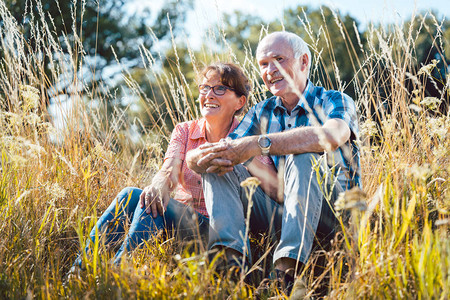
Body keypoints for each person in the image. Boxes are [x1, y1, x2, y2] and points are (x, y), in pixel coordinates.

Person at [186, 31, 360, 295]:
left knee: (304, 154)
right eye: (264, 64)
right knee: (219, 165)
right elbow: (226, 149)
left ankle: (286, 271)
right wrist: (198, 159)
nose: (270, 71)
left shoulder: (334, 100)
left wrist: (259, 144)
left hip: (335, 216)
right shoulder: (261, 111)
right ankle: (230, 267)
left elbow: (332, 135)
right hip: (285, 213)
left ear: (303, 62)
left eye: (278, 59)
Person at [71, 62, 277, 270]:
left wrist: (244, 155)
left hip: (220, 231)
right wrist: (158, 185)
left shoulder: (248, 137)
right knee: (133, 195)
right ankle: (80, 270)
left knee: (155, 207)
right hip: (181, 221)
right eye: (205, 88)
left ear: (239, 102)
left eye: (220, 88)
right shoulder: (185, 130)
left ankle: (118, 272)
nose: (210, 95)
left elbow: (270, 189)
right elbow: (168, 169)